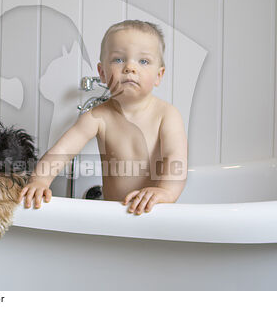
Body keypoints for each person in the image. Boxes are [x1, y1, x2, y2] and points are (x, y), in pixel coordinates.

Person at [20, 20, 188, 214]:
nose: (130, 68)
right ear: (102, 73)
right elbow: (63, 150)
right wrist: (40, 180)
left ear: (159, 75)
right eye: (118, 60)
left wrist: (165, 192)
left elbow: (175, 158)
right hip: (114, 214)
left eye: (143, 61)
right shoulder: (98, 116)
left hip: (156, 211)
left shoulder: (167, 115)